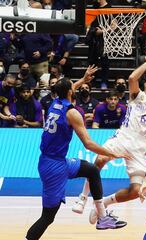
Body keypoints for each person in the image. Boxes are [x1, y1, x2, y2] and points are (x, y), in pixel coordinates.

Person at [25, 68, 129, 240]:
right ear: (70, 92)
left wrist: (83, 79)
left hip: (55, 161)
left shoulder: (54, 102)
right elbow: (88, 144)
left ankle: (102, 218)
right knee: (48, 216)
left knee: (92, 170)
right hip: (54, 168)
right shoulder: (72, 113)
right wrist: (113, 153)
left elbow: (67, 89)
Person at [73, 48, 146, 223]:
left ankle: (104, 203)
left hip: (139, 148)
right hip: (123, 138)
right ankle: (82, 197)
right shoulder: (137, 95)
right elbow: (132, 78)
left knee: (136, 191)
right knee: (99, 161)